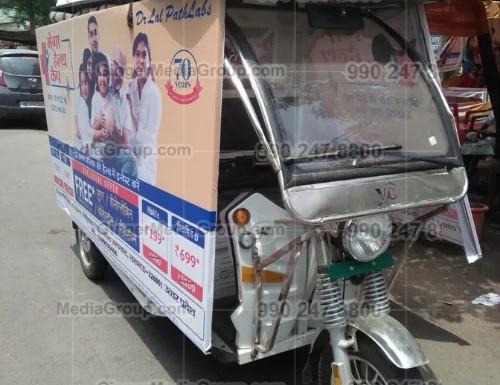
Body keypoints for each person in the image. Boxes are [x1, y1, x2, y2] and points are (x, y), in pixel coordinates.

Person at [128, 33, 162, 185]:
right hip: (130, 164)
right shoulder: (130, 88)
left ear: (149, 60)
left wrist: (134, 118)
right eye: (137, 54)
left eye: (144, 55)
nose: (140, 60)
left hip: (146, 167)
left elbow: (147, 141)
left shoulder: (154, 93)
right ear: (133, 57)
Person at [75, 64, 93, 153]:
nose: (84, 88)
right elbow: (76, 114)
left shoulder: (96, 101)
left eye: (86, 83)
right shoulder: (79, 95)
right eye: (81, 83)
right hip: (81, 144)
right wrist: (78, 130)